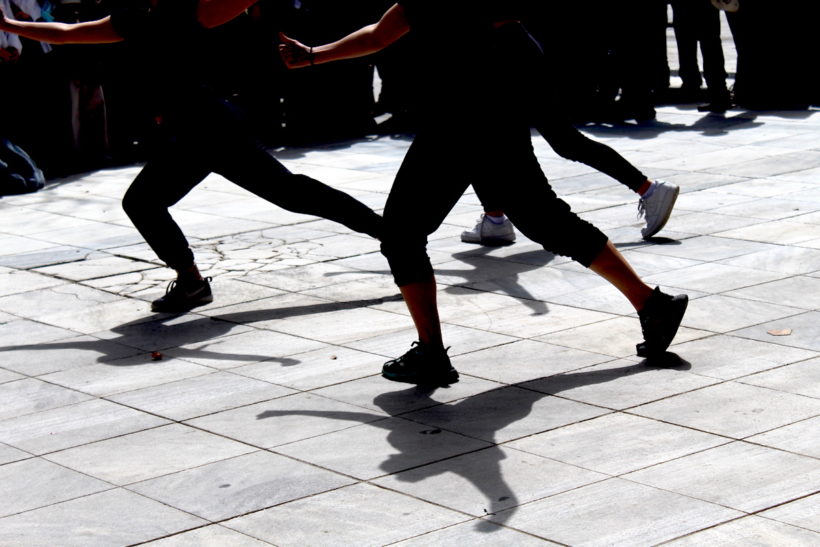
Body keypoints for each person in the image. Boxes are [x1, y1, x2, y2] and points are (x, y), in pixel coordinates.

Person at [280, 1, 688, 386]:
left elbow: (414, 30)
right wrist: (315, 54)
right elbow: (381, 33)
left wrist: (315, 55)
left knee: (404, 233)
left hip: (472, 100)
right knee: (544, 218)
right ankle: (652, 304)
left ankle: (431, 353)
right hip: (485, 90)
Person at [0, 0, 382, 313]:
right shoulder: (132, 18)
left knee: (287, 194)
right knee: (154, 202)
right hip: (191, 130)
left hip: (211, 125)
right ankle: (192, 282)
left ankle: (392, 235)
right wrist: (7, 24)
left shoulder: (193, 10)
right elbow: (66, 33)